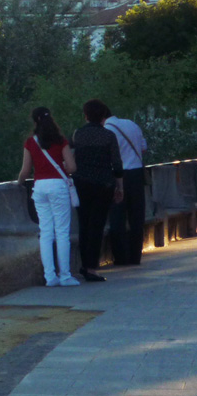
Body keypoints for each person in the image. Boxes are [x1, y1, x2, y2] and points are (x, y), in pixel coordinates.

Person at [17, 106, 79, 287]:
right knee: (62, 232)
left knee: (45, 232)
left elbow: (25, 171)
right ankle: (65, 275)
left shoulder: (30, 142)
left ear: (35, 121)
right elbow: (72, 167)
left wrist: (19, 182)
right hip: (58, 187)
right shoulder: (61, 140)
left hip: (40, 187)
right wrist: (62, 169)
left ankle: (50, 277)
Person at [71, 99, 124, 282]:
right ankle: (92, 268)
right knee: (97, 225)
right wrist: (120, 187)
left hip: (81, 185)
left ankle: (84, 265)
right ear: (103, 116)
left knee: (84, 225)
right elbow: (116, 164)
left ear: (85, 115)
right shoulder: (109, 136)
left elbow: (72, 158)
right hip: (103, 185)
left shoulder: (78, 134)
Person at [104, 107, 148, 265]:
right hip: (136, 174)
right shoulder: (131, 124)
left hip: (118, 175)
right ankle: (136, 256)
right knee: (137, 217)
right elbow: (143, 147)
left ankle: (121, 257)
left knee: (117, 217)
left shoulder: (106, 130)